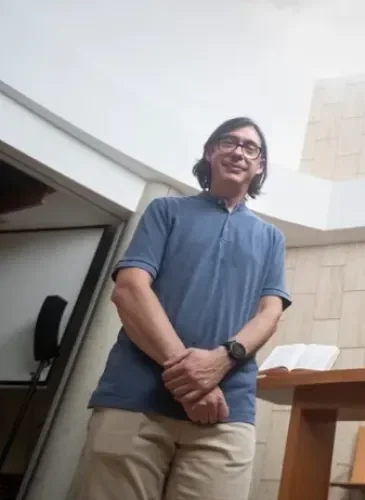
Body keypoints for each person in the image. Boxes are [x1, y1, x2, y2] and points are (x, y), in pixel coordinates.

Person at [74, 117, 291, 500]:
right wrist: (192, 378)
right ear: (210, 152)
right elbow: (129, 289)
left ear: (259, 167)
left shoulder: (271, 238)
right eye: (228, 141)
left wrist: (221, 361)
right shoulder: (165, 211)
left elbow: (269, 313)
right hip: (135, 399)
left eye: (250, 147)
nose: (238, 151)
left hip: (226, 411)